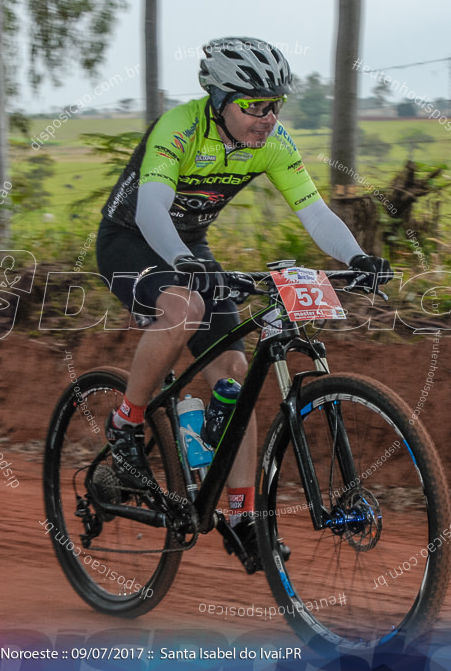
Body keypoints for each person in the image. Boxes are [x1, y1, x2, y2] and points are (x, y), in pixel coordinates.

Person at [95, 36, 391, 565]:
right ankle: (126, 423)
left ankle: (240, 513)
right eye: (254, 105)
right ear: (219, 98)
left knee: (234, 376)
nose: (267, 118)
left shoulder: (273, 143)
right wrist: (188, 265)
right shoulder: (180, 128)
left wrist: (358, 258)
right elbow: (152, 210)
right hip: (131, 239)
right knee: (184, 307)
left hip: (190, 247)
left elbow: (316, 213)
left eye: (275, 105)